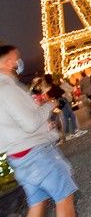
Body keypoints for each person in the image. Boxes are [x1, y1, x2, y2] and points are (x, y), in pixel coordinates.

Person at [0, 44, 78, 217]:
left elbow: (14, 125)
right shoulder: (7, 89)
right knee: (64, 196)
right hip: (36, 153)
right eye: (15, 58)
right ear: (7, 62)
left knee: (37, 203)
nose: (19, 62)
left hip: (18, 156)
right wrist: (49, 105)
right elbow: (30, 123)